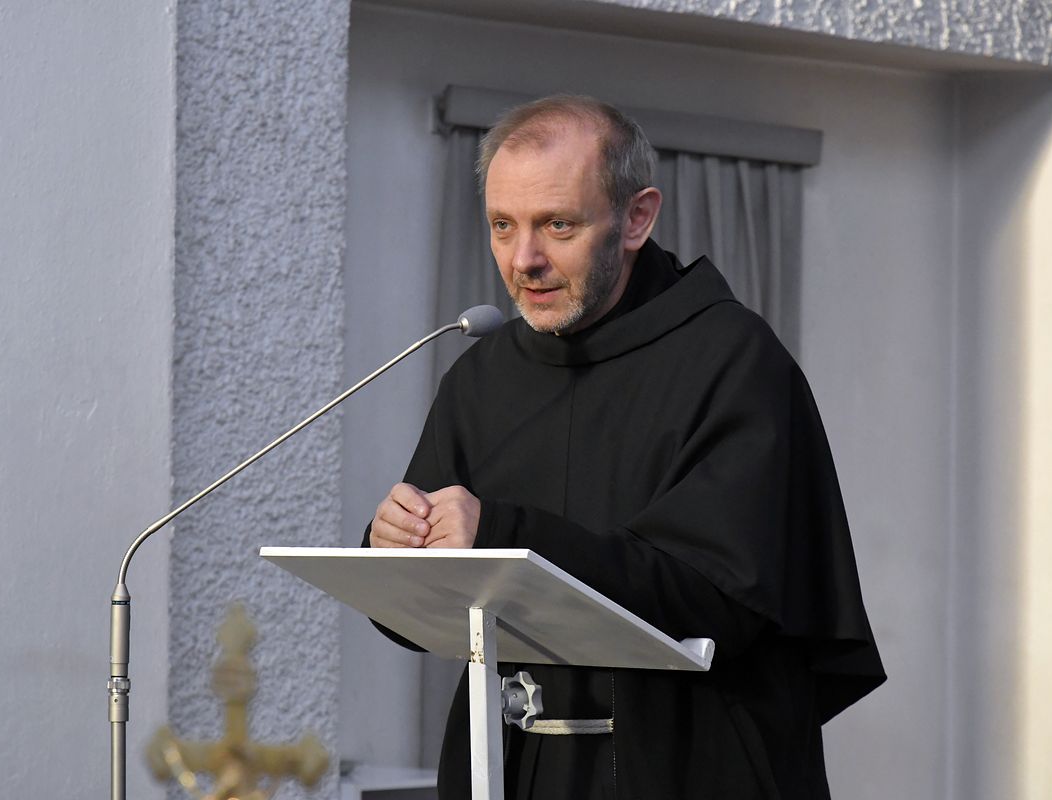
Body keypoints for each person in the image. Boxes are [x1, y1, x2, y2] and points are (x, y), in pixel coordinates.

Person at [366, 95, 885, 799]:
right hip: (512, 770)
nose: (524, 260)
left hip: (687, 764)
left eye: (558, 224)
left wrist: (501, 535)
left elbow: (714, 594)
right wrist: (394, 546)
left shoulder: (732, 360)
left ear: (637, 218)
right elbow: (418, 615)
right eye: (502, 225)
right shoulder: (481, 376)